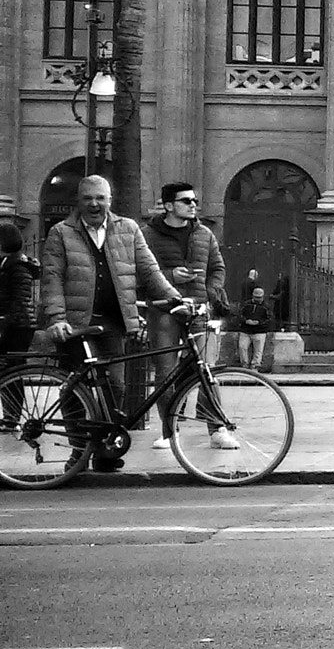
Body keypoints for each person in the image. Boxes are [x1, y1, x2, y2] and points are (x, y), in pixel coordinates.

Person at [41, 175, 185, 470]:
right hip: (75, 323)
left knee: (114, 387)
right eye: (87, 198)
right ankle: (78, 451)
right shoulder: (61, 232)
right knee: (73, 389)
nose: (95, 204)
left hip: (112, 322)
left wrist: (174, 299)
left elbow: (149, 270)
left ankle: (104, 450)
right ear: (78, 201)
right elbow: (52, 277)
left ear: (110, 200)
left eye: (100, 198)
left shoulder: (128, 229)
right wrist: (56, 319)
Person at [141, 183, 229, 448]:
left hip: (199, 309)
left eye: (195, 200)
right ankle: (170, 431)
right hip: (164, 310)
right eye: (186, 201)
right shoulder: (148, 235)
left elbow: (218, 268)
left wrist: (209, 290)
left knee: (208, 370)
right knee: (165, 373)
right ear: (168, 205)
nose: (193, 205)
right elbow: (140, 272)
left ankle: (217, 428)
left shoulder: (204, 234)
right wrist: (170, 277)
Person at [1, 221, 39, 360]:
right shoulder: (8, 265)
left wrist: (5, 320)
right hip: (15, 323)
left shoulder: (18, 268)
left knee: (12, 369)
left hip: (19, 326)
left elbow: (19, 300)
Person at [237, 287, 274, 372]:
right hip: (246, 330)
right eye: (256, 297)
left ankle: (255, 366)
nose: (258, 299)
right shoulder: (246, 304)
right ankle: (245, 365)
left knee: (258, 351)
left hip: (259, 330)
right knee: (242, 347)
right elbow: (239, 315)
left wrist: (259, 322)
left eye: (259, 297)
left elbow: (269, 319)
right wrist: (246, 321)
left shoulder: (266, 306)